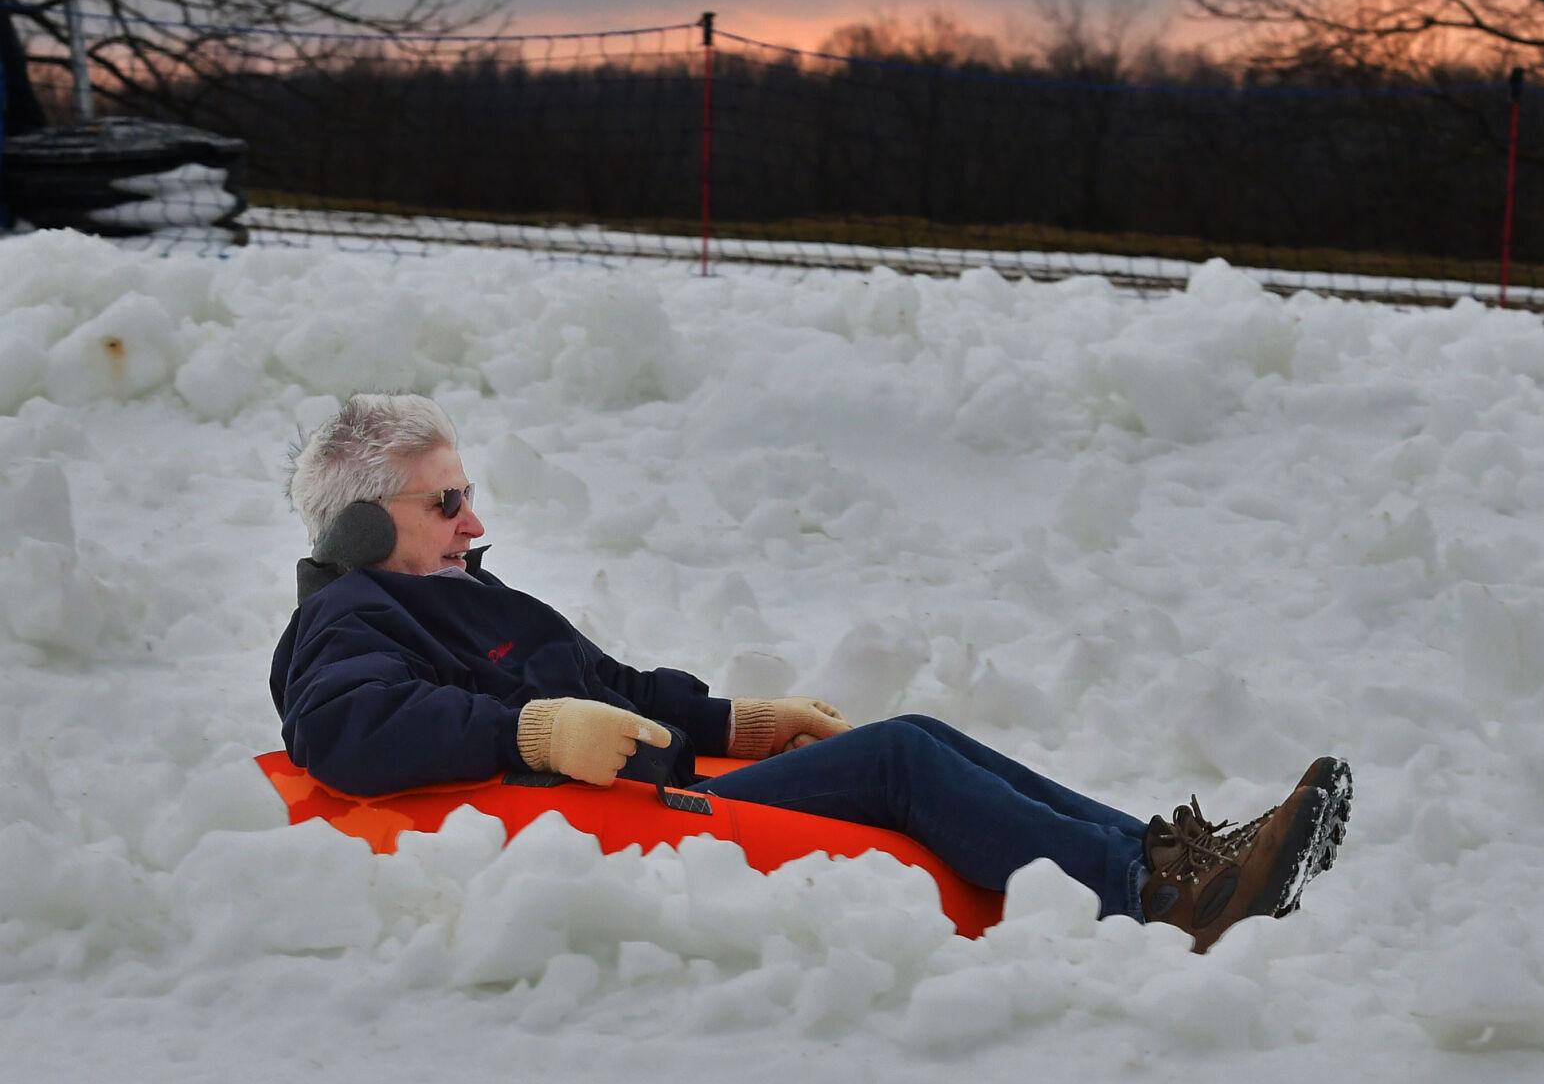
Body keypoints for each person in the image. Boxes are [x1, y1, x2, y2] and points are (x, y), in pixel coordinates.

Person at [271, 393, 1351, 953]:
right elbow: (346, 725)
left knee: (917, 732)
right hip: (630, 813)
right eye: (444, 502)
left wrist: (740, 717)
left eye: (467, 494)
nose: (475, 519)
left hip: (658, 772)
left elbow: (618, 685)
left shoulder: (476, 599)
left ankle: (1169, 854)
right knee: (898, 760)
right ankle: (1151, 894)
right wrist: (531, 736)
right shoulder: (350, 617)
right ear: (367, 524)